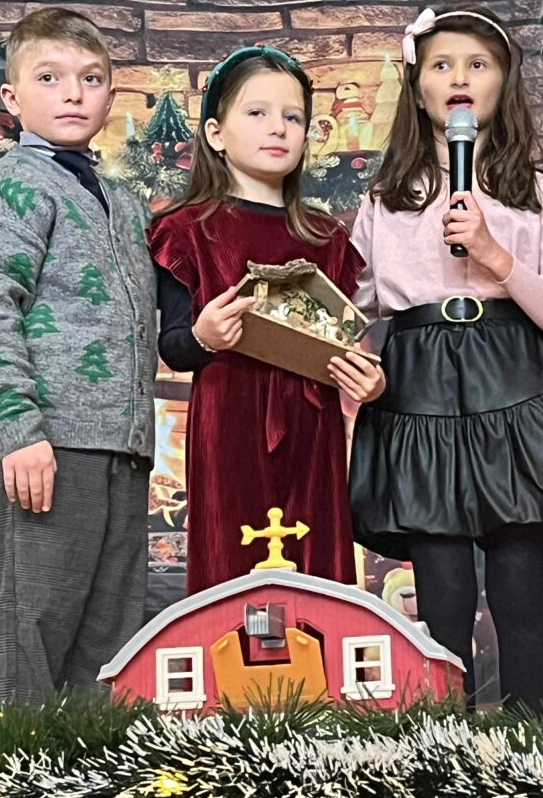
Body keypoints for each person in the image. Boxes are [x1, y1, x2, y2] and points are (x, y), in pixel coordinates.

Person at [348, 6, 543, 713]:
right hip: (419, 387)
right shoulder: (385, 199)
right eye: (441, 65)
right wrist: (349, 359)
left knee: (518, 587)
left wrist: (497, 256)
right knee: (442, 593)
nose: (459, 78)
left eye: (478, 64)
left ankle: (530, 740)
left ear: (502, 84)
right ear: (417, 89)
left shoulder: (532, 193)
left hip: (514, 385)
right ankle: (449, 741)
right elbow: (353, 306)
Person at [0, 8, 157, 703]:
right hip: (48, 441)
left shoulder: (121, 200)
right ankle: (23, 773)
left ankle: (97, 770)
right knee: (35, 627)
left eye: (91, 79)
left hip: (121, 447)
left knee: (112, 640)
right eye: (50, 77)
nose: (73, 93)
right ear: (12, 98)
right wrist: (18, 430)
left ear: (110, 94)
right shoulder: (12, 186)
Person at [149, 46, 384, 594]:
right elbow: (174, 345)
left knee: (316, 570)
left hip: (313, 426)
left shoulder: (325, 238)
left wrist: (369, 380)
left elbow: (350, 341)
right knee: (232, 564)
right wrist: (205, 336)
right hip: (229, 420)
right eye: (257, 112)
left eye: (293, 116)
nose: (278, 127)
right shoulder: (188, 230)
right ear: (215, 133)